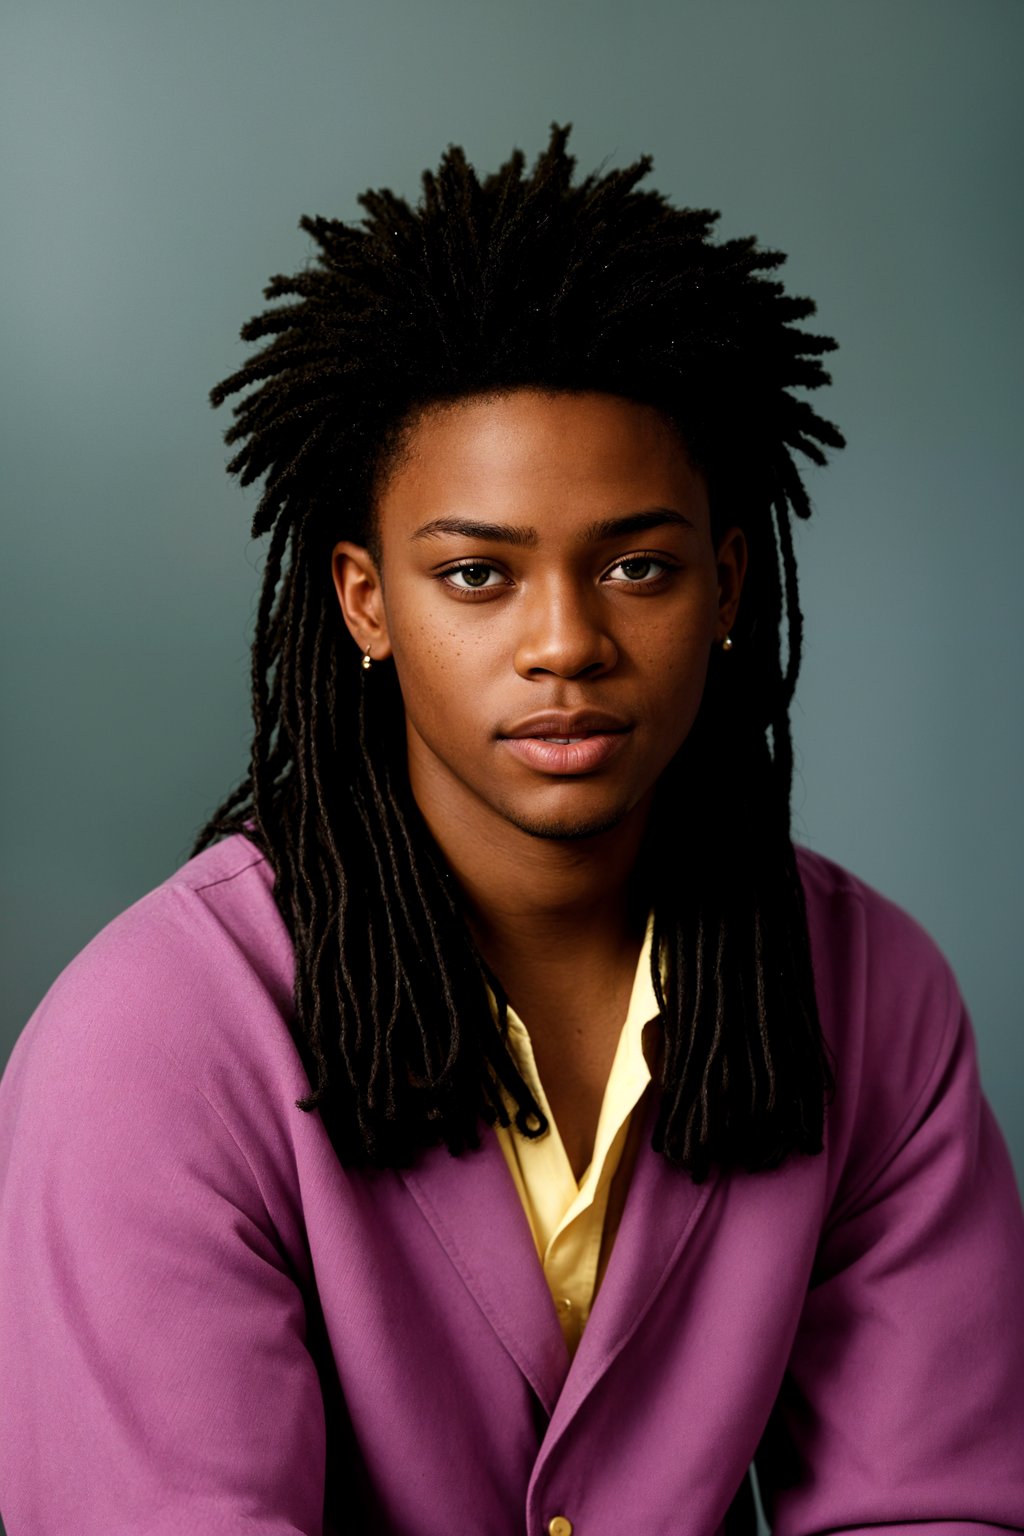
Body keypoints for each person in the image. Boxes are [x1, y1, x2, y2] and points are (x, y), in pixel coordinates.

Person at [0, 125, 1021, 1536]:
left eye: (638, 566)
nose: (567, 643)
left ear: (730, 586)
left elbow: (935, 1511)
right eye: (478, 574)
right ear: (366, 603)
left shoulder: (873, 996)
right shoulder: (149, 1044)